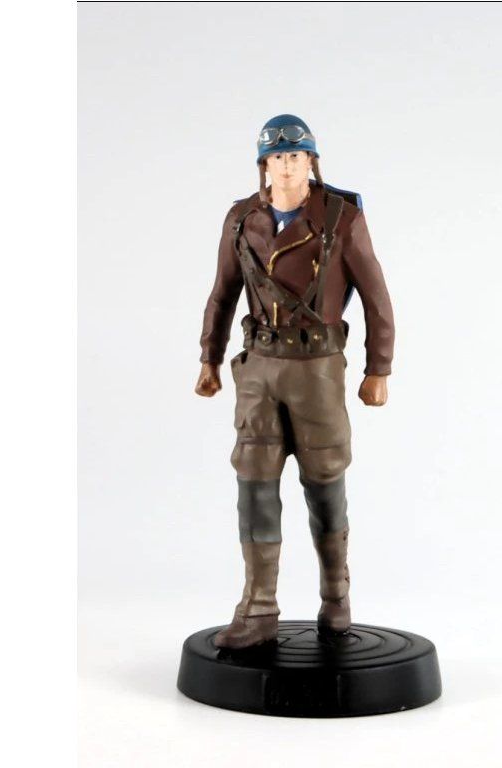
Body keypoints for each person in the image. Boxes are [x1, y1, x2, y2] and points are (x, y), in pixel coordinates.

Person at [195, 114, 395, 649]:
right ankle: (258, 608)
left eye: (295, 155)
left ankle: (336, 597)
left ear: (311, 161)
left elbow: (376, 296)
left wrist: (378, 368)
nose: (286, 166)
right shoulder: (242, 219)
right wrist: (209, 358)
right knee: (254, 479)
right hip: (259, 369)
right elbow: (223, 292)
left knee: (325, 478)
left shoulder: (341, 217)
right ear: (263, 164)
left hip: (317, 370)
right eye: (277, 157)